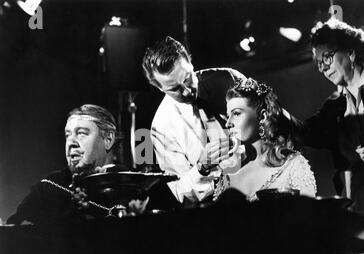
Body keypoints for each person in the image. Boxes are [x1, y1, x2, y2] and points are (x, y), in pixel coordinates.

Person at [287, 19, 364, 254]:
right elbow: (304, 133)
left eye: (326, 57)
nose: (322, 67)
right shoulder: (336, 107)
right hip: (354, 215)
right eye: (317, 63)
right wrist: (272, 113)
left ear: (349, 51)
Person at [142, 36, 246, 204]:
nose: (187, 92)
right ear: (159, 88)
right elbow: (180, 190)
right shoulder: (161, 127)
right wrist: (202, 167)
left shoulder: (229, 79)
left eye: (187, 78)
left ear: (190, 62)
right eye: (174, 89)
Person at [7, 104, 147, 225]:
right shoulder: (48, 187)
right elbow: (16, 230)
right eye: (67, 135)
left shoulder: (138, 184)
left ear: (108, 139)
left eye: (81, 133)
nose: (71, 142)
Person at [214, 77, 316, 201]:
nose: (228, 123)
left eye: (236, 113)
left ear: (262, 116)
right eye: (227, 116)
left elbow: (310, 216)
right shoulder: (227, 173)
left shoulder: (293, 165)